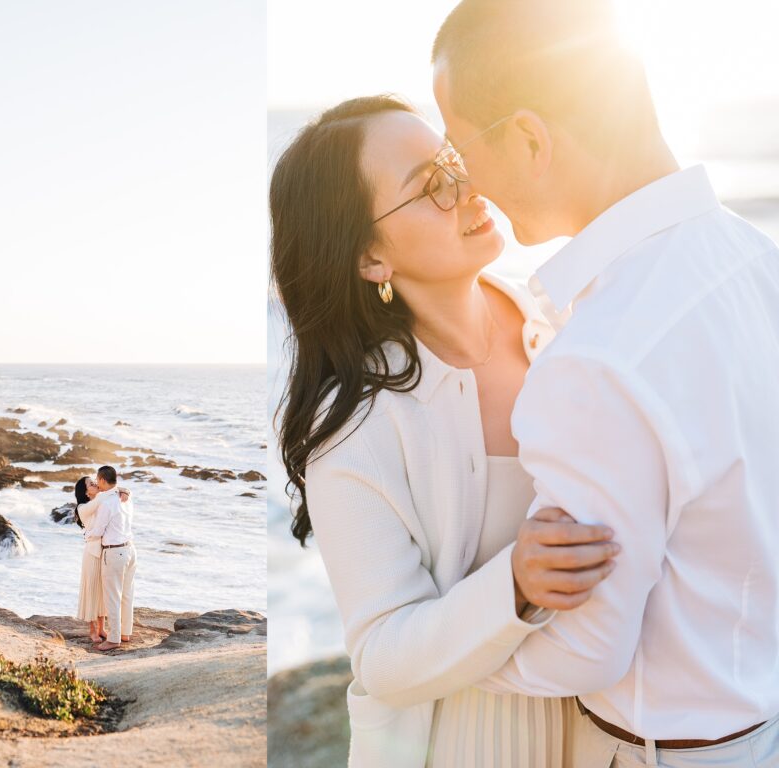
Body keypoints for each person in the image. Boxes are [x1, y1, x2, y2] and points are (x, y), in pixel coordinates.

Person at [429, 0, 779, 765]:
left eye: (459, 150)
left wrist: (437, 662)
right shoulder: (760, 262)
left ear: (529, 138)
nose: (465, 180)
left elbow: (588, 649)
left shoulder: (597, 359)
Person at [271, 94, 619, 766]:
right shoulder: (354, 426)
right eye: (431, 185)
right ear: (371, 257)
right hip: (469, 746)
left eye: (455, 162)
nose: (467, 189)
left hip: (616, 730)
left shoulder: (574, 315)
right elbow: (383, 655)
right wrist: (514, 582)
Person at [85, 465, 137, 652]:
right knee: (127, 594)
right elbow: (125, 492)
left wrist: (87, 535)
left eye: (97, 480)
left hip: (114, 553)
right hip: (130, 549)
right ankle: (125, 633)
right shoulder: (125, 499)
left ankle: (114, 638)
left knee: (112, 597)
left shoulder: (107, 503)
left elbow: (98, 531)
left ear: (101, 480)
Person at [73, 476, 108, 644]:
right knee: (92, 591)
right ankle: (93, 630)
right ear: (86, 492)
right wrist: (111, 489)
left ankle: (102, 628)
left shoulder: (101, 502)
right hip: (92, 553)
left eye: (95, 482)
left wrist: (125, 492)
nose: (95, 484)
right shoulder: (83, 507)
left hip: (106, 552)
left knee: (103, 592)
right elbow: (104, 495)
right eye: (91, 484)